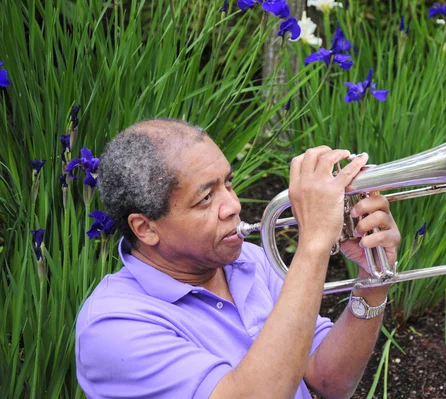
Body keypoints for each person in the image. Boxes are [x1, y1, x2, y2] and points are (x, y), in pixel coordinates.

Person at [75, 118, 401, 399]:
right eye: (205, 198)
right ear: (145, 228)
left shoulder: (249, 260)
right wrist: (314, 244)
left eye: (228, 183)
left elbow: (330, 380)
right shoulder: (112, 327)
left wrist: (371, 280)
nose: (233, 205)